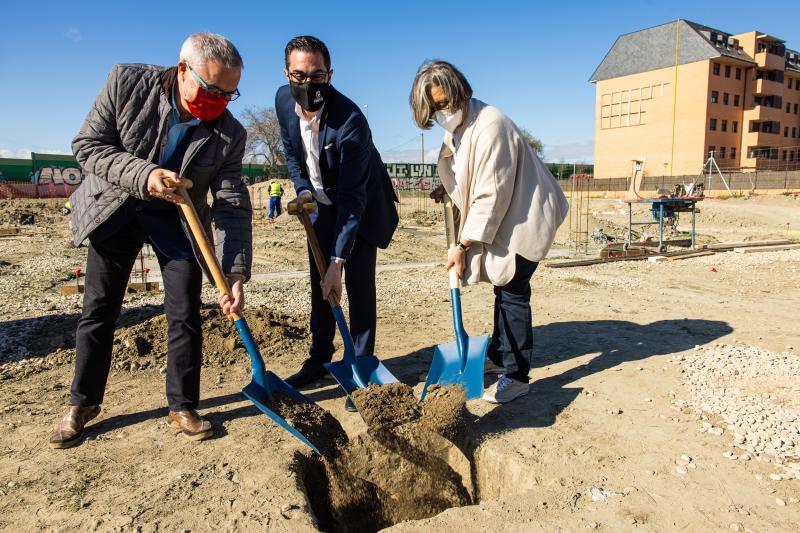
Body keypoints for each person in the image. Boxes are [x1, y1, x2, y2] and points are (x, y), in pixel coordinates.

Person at [49, 32, 252, 449]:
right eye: (210, 88)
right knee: (99, 309)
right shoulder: (127, 83)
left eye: (228, 94)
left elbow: (231, 202)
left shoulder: (231, 133)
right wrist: (144, 175)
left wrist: (234, 270)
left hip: (177, 217)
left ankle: (182, 404)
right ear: (182, 70)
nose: (217, 102)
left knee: (184, 311)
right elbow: (87, 146)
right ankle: (82, 403)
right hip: (116, 205)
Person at [410, 60, 568, 404]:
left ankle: (517, 375)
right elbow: (469, 175)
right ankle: (498, 357)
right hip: (509, 213)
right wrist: (447, 188)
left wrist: (462, 245)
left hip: (527, 215)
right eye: (434, 108)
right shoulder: (462, 127)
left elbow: (490, 195)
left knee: (512, 291)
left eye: (444, 103)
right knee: (503, 286)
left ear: (460, 91)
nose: (441, 112)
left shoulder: (490, 125)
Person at [275, 36, 398, 411]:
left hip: (359, 209)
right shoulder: (283, 100)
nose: (308, 84)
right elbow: (290, 150)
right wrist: (301, 188)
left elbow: (352, 201)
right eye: (300, 75)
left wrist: (338, 261)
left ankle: (359, 365)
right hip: (322, 207)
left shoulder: (351, 123)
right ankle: (319, 358)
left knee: (356, 287)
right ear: (287, 74)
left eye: (317, 75)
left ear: (329, 74)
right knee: (319, 284)